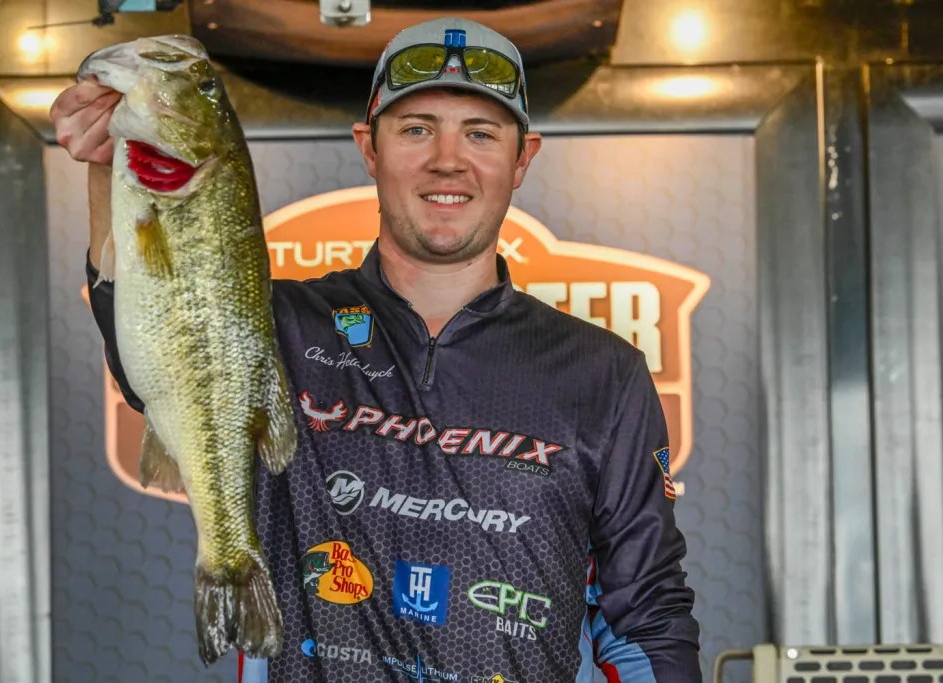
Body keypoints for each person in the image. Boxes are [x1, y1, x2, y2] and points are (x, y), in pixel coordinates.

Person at [50, 17, 701, 682]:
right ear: (369, 147)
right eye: (416, 128)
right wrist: (109, 167)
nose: (447, 159)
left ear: (522, 158)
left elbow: (646, 614)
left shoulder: (604, 373)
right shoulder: (280, 324)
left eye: (480, 133)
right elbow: (151, 342)